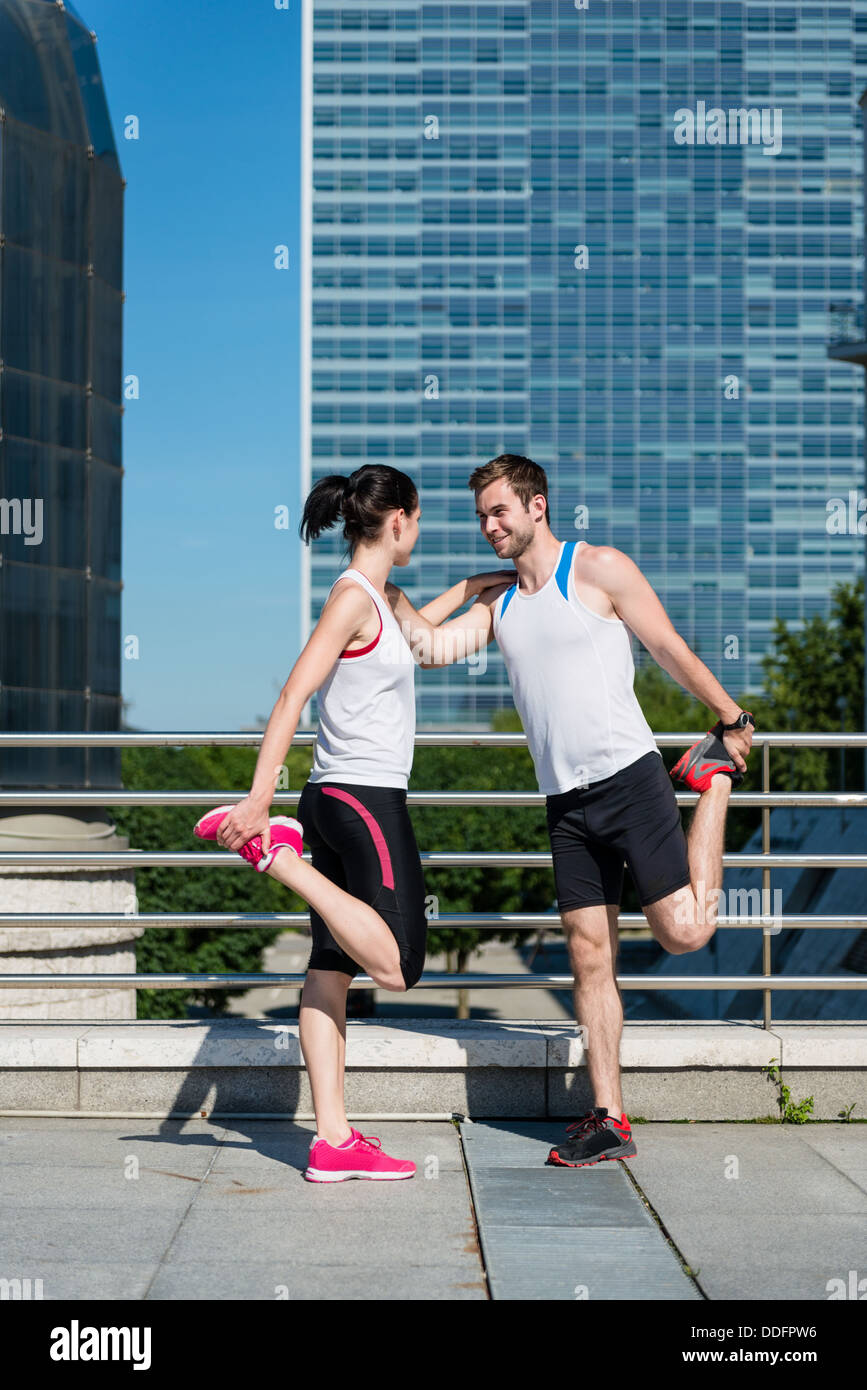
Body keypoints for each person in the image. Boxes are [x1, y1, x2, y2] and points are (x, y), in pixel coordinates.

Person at [392, 452, 754, 1169]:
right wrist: (455, 586)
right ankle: (609, 1118)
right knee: (590, 960)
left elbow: (667, 646)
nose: (489, 525)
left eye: (499, 510)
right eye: (480, 516)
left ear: (537, 506)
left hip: (629, 781)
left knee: (684, 932)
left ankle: (710, 781)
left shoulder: (596, 567)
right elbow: (423, 647)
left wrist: (728, 715)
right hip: (564, 805)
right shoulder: (495, 604)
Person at [193, 464, 510, 1182]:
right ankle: (280, 859)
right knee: (399, 965)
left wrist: (480, 593)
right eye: (420, 519)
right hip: (362, 799)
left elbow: (434, 646)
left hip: (332, 801)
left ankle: (331, 1140)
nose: (420, 531)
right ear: (396, 519)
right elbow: (291, 698)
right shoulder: (350, 601)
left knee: (329, 969)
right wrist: (253, 802)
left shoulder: (383, 597)